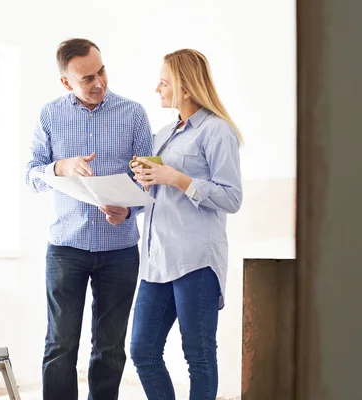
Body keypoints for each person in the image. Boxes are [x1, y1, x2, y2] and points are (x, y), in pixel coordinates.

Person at [25, 38, 153, 400]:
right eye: (86, 78)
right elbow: (31, 176)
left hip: (120, 249)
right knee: (60, 345)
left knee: (111, 348)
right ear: (66, 82)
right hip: (66, 247)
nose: (98, 83)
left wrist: (130, 208)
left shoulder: (134, 114)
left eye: (101, 71)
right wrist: (61, 166)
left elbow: (150, 179)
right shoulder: (50, 115)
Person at [129, 49, 243, 400]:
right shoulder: (163, 133)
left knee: (199, 355)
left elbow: (232, 198)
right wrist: (143, 182)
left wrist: (177, 178)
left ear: (187, 87)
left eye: (164, 82)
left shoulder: (217, 131)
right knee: (142, 352)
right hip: (156, 261)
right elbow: (155, 193)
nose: (157, 88)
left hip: (196, 260)